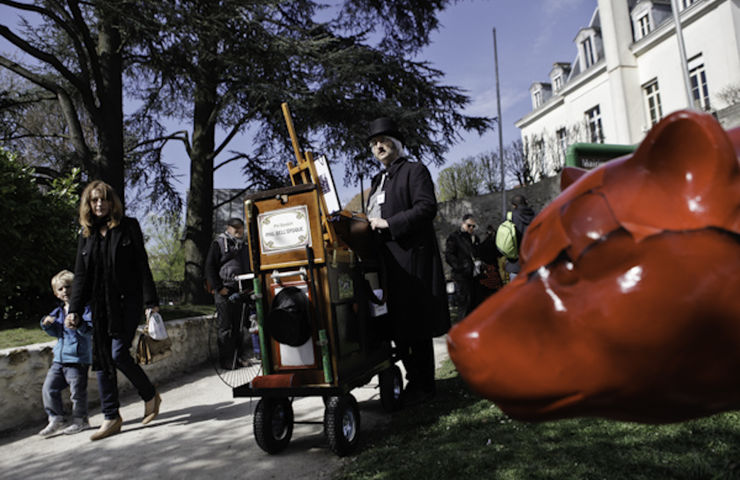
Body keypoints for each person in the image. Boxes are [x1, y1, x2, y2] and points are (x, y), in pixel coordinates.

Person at [66, 180, 161, 441]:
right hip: (99, 306)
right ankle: (111, 417)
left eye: (104, 199)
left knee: (118, 353)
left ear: (112, 202)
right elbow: (81, 276)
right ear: (88, 204)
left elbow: (142, 265)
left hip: (127, 302)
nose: (99, 204)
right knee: (102, 359)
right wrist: (73, 309)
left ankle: (150, 394)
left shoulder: (128, 227)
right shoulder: (86, 235)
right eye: (94, 200)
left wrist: (150, 302)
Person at [365, 116, 450, 406]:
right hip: (387, 265)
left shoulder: (414, 170)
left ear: (396, 143)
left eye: (384, 141)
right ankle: (412, 379)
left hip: (411, 262)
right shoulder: (377, 180)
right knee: (398, 329)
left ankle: (424, 385)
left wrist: (389, 224)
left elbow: (427, 207)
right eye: (374, 143)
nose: (379, 146)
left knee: (417, 327)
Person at [38, 270, 93, 437]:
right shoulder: (59, 311)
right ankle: (56, 419)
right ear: (56, 293)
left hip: (78, 358)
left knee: (77, 392)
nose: (65, 291)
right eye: (60, 289)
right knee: (49, 388)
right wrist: (47, 324)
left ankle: (81, 420)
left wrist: (79, 324)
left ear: (76, 288)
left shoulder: (84, 309)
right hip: (59, 359)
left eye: (68, 287)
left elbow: (89, 330)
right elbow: (57, 332)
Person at [204, 217, 252, 369]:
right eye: (234, 227)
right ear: (228, 228)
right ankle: (227, 361)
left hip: (240, 290)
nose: (238, 230)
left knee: (239, 327)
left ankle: (239, 358)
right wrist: (219, 288)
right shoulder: (219, 243)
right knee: (225, 328)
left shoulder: (244, 246)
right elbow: (209, 267)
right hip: (224, 290)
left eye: (240, 227)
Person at [445, 214, 481, 319]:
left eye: (473, 226)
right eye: (469, 225)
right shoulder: (454, 237)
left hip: (474, 275)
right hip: (461, 275)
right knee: (464, 302)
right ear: (463, 224)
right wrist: (461, 267)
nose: (471, 228)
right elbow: (449, 255)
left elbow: (477, 253)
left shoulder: (475, 238)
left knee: (475, 303)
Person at [504, 194, 536, 280]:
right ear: (526, 203)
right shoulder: (536, 216)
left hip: (515, 265)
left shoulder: (510, 218)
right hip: (534, 263)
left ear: (514, 205)